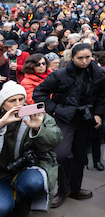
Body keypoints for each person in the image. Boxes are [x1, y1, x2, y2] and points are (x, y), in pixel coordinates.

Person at [32, 43, 105, 208]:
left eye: (88, 57)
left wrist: (98, 114)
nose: (84, 61)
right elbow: (39, 92)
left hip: (85, 119)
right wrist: (55, 110)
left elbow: (102, 95)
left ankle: (74, 189)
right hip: (65, 118)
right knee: (63, 154)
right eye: (80, 58)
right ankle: (62, 190)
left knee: (80, 157)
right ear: (72, 58)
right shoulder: (60, 74)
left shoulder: (98, 73)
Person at [0, 81, 62, 216]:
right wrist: (1, 124)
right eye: (12, 101)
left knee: (33, 182)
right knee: (2, 207)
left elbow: (55, 140)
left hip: (24, 169)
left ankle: (22, 199)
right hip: (1, 173)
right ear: (3, 104)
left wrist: (38, 128)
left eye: (21, 99)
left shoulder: (35, 115)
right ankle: (11, 197)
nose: (18, 104)